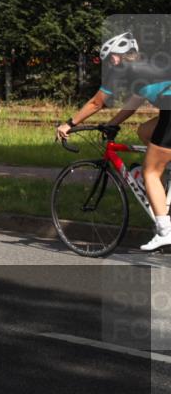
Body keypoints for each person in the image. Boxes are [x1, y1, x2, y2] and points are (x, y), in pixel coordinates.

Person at [56, 31, 171, 251]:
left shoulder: (122, 68)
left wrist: (69, 124)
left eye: (109, 60)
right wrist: (113, 123)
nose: (110, 65)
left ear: (116, 57)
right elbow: (134, 102)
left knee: (151, 171)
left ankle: (165, 231)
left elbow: (97, 102)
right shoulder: (147, 67)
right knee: (145, 131)